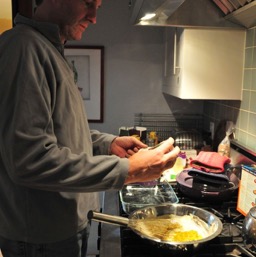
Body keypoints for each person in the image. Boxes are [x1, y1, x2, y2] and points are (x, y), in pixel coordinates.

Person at [0, 0, 180, 256]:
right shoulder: (23, 48)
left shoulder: (49, 49)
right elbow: (30, 160)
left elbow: (60, 132)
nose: (95, 17)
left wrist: (108, 143)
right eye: (87, 3)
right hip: (41, 239)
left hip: (64, 228)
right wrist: (129, 170)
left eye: (98, 5)